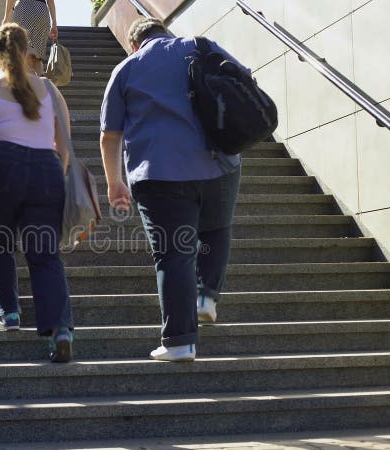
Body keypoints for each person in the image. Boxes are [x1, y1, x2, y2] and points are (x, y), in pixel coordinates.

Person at [99, 18, 245, 362]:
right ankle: (206, 296)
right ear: (167, 32)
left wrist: (114, 181)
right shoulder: (199, 46)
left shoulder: (127, 68)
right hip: (220, 163)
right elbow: (243, 77)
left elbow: (110, 135)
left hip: (160, 173)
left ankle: (180, 342)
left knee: (174, 254)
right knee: (215, 229)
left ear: (134, 43)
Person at [0, 23, 74, 363]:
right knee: (45, 256)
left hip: (2, 168)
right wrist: (59, 175)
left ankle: (9, 314)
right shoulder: (49, 90)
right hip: (46, 170)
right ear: (29, 52)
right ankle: (60, 331)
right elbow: (64, 144)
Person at [3, 0, 58, 75]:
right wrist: (54, 23)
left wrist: (6, 18)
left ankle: (24, 83)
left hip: (24, 9)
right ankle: (38, 83)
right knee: (37, 58)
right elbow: (50, 1)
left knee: (20, 52)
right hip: (42, 12)